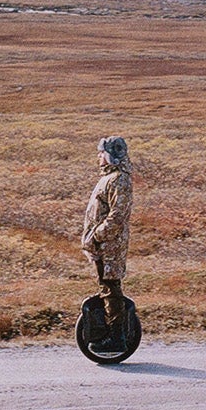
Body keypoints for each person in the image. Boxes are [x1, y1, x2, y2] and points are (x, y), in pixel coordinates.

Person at [80, 136, 134, 320]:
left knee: (111, 287)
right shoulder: (109, 178)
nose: (98, 156)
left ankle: (117, 337)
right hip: (103, 244)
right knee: (106, 286)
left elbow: (117, 216)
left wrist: (97, 235)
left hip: (110, 245)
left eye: (101, 153)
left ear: (110, 156)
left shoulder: (119, 180)